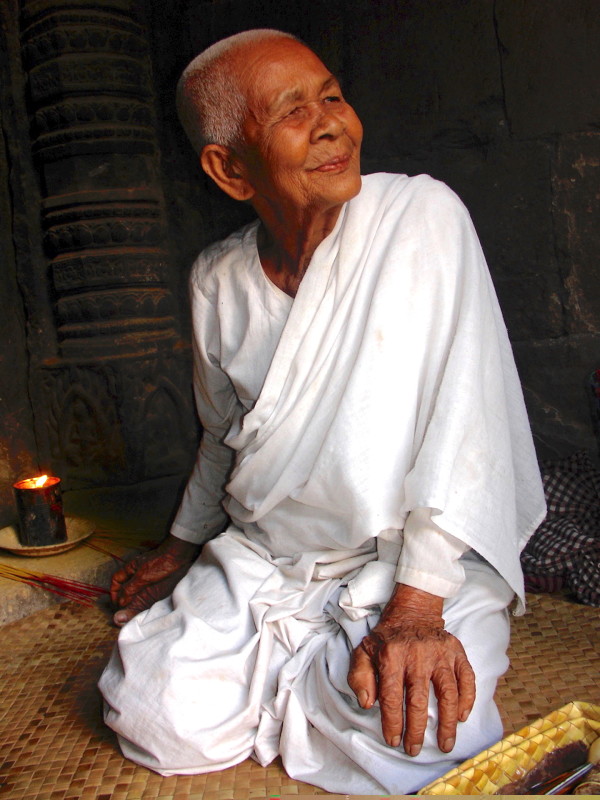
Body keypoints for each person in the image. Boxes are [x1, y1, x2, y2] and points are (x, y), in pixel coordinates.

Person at [99, 29, 546, 795]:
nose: (332, 122)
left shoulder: (420, 217)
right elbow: (223, 438)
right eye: (293, 111)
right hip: (268, 562)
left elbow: (468, 420)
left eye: (332, 96)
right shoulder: (217, 281)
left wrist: (416, 610)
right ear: (228, 168)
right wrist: (179, 550)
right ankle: (304, 679)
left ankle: (297, 683)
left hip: (404, 566)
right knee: (146, 711)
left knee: (433, 735)